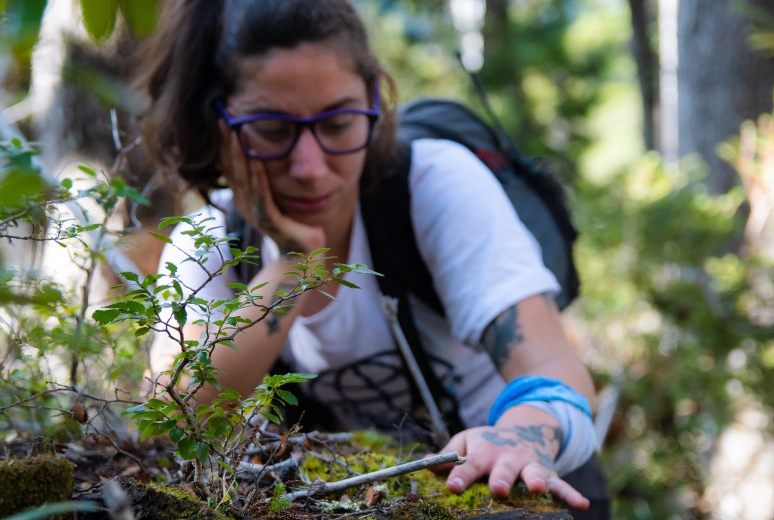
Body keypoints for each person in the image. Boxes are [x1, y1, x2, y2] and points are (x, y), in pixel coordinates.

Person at [137, 0, 608, 517]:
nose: (310, 167)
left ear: (375, 104)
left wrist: (521, 438)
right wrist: (294, 265)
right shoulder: (208, 245)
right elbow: (172, 425)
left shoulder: (432, 187)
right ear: (216, 125)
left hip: (521, 488)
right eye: (272, 129)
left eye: (338, 123)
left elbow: (556, 366)